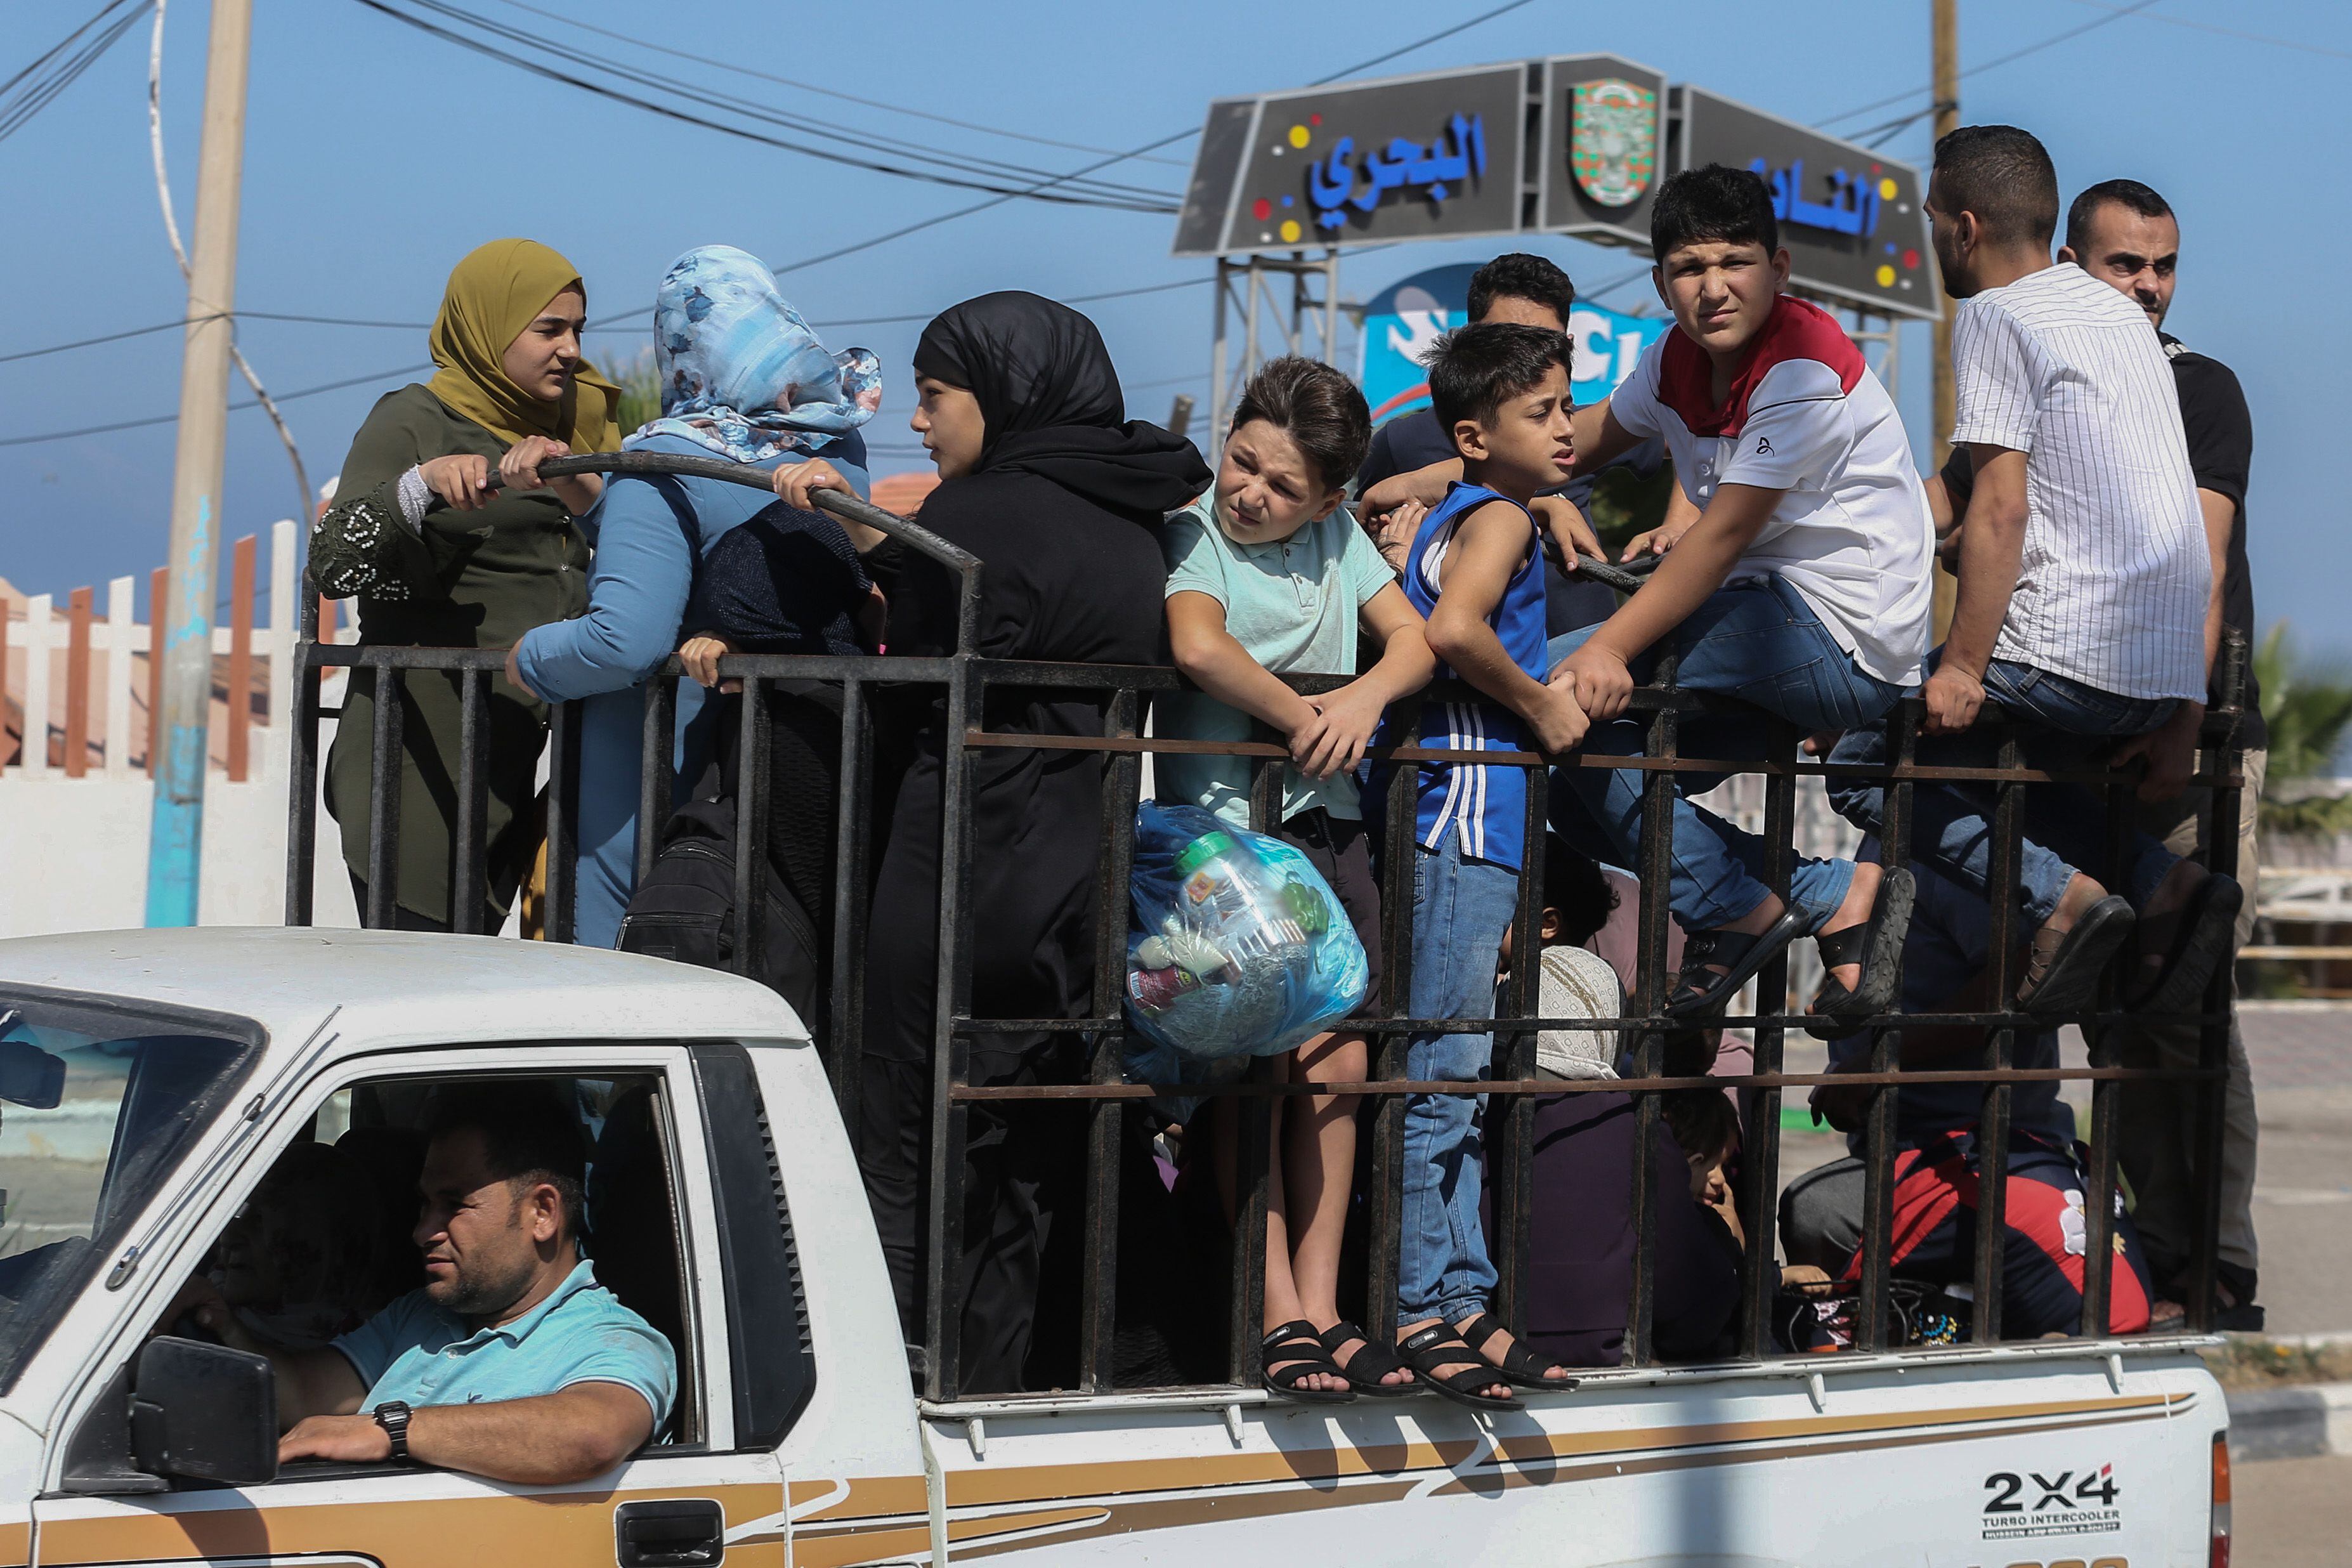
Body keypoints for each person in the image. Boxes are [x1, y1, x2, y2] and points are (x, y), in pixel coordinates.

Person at [773, 292, 1211, 1394]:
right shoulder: (1133, 528)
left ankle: (896, 1388)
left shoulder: (974, 517)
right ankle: (998, 1385)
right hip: (1075, 890)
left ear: (1003, 392)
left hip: (953, 874)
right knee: (1028, 1167)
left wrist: (854, 528)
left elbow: (923, 639)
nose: (919, 424)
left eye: (933, 397)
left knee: (907, 1142)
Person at [1826, 127, 2236, 1019]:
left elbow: (1999, 508)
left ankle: (2067, 902)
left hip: (2068, 658)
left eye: (1934, 220)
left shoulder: (1996, 318)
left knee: (1861, 759)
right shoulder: (2119, 319)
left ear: (1965, 227)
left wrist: (1964, 666)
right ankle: (2163, 887)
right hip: (2160, 677)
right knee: (2002, 777)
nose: (1933, 237)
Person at [1544, 164, 1933, 1030]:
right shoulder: (1677, 358)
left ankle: (1738, 904)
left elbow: (1716, 540)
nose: (1713, 287)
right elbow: (1584, 443)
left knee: (1542, 685)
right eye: (1688, 267)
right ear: (1659, 282)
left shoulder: (1803, 368)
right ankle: (1815, 894)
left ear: (1780, 268)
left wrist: (1604, 648)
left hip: (1840, 635)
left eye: (1735, 261)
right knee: (1571, 750)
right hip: (1774, 620)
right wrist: (1447, 475)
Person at [1158, 356, 1431, 1401]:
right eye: (1242, 463)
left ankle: (1324, 1308)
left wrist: (1360, 701)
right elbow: (1196, 644)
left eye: (1280, 486)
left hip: (1323, 839)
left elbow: (1410, 640)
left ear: (1326, 498)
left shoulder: (1336, 537)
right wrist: (1303, 716)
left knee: (1340, 1071)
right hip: (1222, 847)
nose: (1249, 493)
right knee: (1255, 1076)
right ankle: (1275, 1313)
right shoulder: (1192, 533)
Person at [508, 245, 879, 947]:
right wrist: (582, 493)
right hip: (799, 755)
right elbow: (721, 544)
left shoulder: (667, 461)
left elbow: (628, 637)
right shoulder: (830, 456)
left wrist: (530, 659)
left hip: (658, 772)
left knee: (619, 967)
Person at [1362, 320, 1588, 1411]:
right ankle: (1418, 1309)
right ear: (1473, 434)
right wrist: (1543, 700)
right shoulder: (1495, 514)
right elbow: (1455, 631)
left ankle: (1460, 1299)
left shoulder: (1453, 509)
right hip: (1461, 810)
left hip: (1446, 809)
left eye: (1564, 406)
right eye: (1541, 412)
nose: (1566, 429)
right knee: (1441, 1070)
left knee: (1448, 1062)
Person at [2053, 178, 2262, 1328]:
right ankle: (2153, 1249)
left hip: (2194, 736)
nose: (2143, 285)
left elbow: (2202, 558)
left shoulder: (2199, 387)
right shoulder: (2046, 382)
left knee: (2187, 1008)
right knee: (2107, 1010)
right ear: (2067, 264)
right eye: (2121, 263)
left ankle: (2212, 1268)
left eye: (2160, 265)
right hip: (2072, 740)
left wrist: (2179, 720)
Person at [310, 238, 622, 931]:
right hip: (420, 759)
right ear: (488, 328)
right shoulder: (414, 417)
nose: (570, 349)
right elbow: (334, 564)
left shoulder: (583, 421)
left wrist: (578, 480)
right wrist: (420, 487)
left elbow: (639, 550)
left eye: (577, 329)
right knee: (419, 980)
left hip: (537, 753)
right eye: (548, 330)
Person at [173, 1085, 676, 1485]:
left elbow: (592, 1435)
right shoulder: (420, 1315)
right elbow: (309, 1396)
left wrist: (391, 1430)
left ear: (542, 1212)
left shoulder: (611, 1341)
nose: (421, 1232)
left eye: (454, 1205)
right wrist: (224, 1327)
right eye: (424, 1204)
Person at [1782, 855, 2155, 1340]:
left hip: (1980, 1146)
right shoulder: (1901, 826)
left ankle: (1841, 1346)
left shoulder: (1954, 846)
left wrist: (1878, 1064)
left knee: (1815, 1208)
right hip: (1941, 1147)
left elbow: (2027, 974)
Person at [1354, 251, 1697, 636]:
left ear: (1566, 346)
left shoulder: (1575, 424)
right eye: (1500, 338)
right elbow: (1359, 528)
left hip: (1583, 652)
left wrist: (1681, 521)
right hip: (1458, 670)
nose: (1519, 356)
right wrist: (1541, 505)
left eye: (1540, 342)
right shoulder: (1403, 439)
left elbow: (1697, 431)